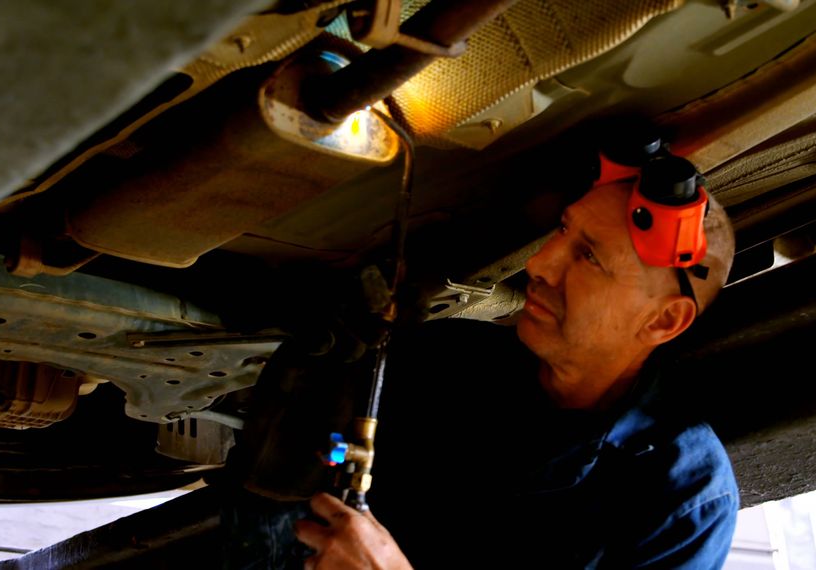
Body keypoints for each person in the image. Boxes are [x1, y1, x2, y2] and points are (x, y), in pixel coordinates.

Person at [294, 154, 738, 569]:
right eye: (563, 230)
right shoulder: (444, 358)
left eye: (589, 256)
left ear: (663, 320)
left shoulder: (684, 498)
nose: (540, 263)